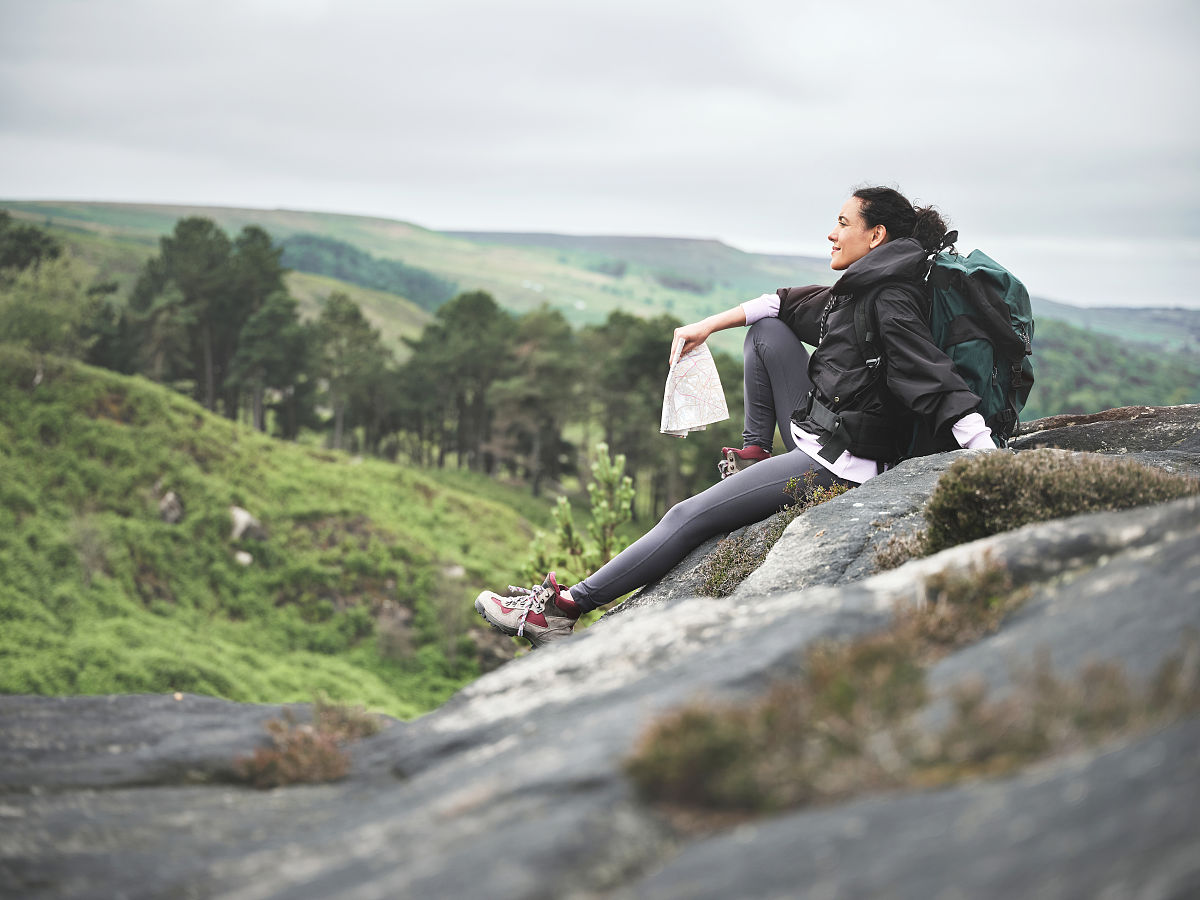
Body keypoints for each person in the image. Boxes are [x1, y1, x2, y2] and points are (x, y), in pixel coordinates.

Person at [475, 186, 996, 647]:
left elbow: (935, 379)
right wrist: (707, 325)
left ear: (875, 234)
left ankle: (562, 610)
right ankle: (753, 455)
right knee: (764, 334)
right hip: (823, 431)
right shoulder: (861, 287)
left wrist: (989, 456)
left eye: (843, 222)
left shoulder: (890, 299)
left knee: (685, 517)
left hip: (842, 462)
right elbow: (782, 306)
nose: (831, 233)